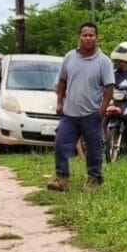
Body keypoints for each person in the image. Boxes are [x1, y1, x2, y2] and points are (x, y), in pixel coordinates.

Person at [47, 22, 114, 192]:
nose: (88, 38)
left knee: (94, 149)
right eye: (85, 35)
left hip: (92, 114)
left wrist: (102, 110)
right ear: (79, 37)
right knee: (61, 143)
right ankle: (61, 179)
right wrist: (59, 102)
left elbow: (109, 87)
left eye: (91, 35)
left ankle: (94, 179)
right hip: (69, 113)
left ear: (97, 37)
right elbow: (62, 81)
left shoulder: (103, 61)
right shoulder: (70, 57)